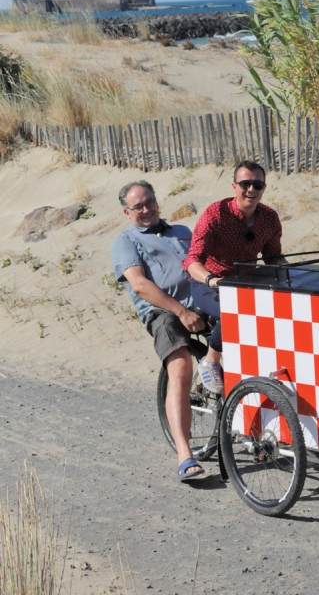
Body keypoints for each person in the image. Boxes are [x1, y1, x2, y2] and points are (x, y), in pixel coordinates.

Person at [111, 180, 206, 483]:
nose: (146, 209)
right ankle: (184, 454)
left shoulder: (182, 232)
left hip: (203, 304)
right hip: (164, 312)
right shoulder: (125, 241)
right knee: (180, 368)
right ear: (128, 212)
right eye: (138, 206)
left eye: (149, 201)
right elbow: (140, 285)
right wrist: (181, 311)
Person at [183, 160, 283, 394]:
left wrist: (295, 274)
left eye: (257, 185)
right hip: (208, 283)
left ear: (264, 188)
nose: (251, 190)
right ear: (234, 186)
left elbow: (273, 258)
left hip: (247, 282)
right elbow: (192, 260)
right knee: (235, 312)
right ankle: (211, 360)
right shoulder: (215, 214)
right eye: (245, 184)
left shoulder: (269, 218)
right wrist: (212, 280)